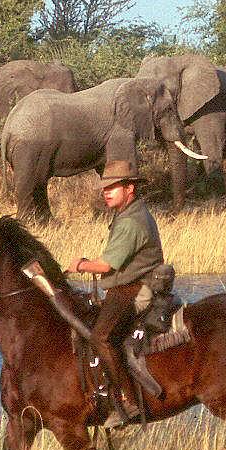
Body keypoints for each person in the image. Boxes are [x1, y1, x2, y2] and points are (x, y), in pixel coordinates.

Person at [64, 160, 164, 427]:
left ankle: (129, 401)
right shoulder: (128, 214)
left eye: (113, 187)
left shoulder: (131, 221)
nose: (106, 191)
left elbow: (107, 265)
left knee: (101, 336)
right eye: (104, 187)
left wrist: (80, 265)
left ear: (129, 188)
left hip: (135, 289)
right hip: (127, 285)